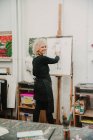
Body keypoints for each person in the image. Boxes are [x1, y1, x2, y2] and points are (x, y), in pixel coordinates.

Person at [32, 38, 60, 124]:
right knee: (48, 106)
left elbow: (34, 73)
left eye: (45, 46)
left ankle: (33, 124)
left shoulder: (35, 59)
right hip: (44, 86)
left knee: (38, 106)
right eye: (42, 47)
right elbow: (55, 60)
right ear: (37, 48)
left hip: (38, 85)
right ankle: (52, 125)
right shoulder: (42, 58)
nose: (44, 48)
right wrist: (57, 54)